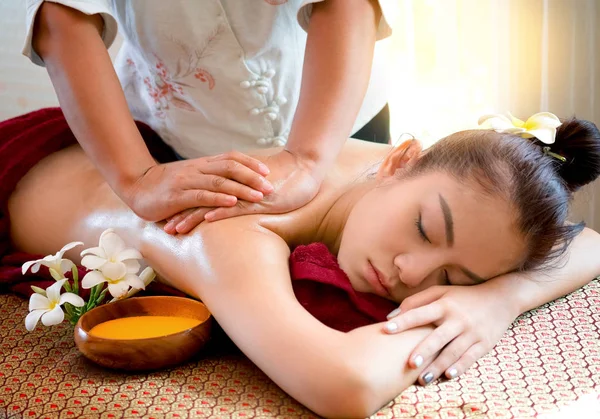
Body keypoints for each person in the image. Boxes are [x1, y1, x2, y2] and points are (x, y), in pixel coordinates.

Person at [8, 114, 600, 417]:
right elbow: (344, 385)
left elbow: (592, 241)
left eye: (455, 278)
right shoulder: (228, 229)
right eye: (424, 228)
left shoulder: (409, 179)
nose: (412, 274)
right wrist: (478, 302)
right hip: (22, 168)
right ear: (401, 160)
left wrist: (499, 299)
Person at [24, 0, 396, 235]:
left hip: (344, 122)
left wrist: (308, 158)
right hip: (174, 151)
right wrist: (137, 178)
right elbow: (58, 12)